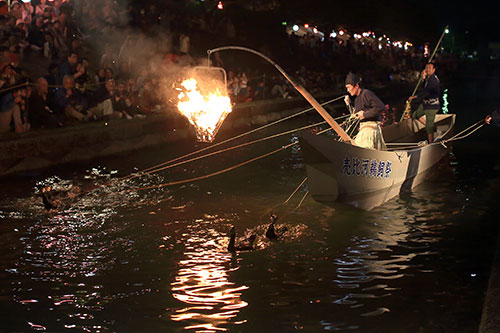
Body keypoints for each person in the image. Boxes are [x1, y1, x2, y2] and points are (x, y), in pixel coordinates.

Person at [344, 72, 386, 150]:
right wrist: (348, 104)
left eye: (349, 87)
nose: (348, 90)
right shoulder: (357, 99)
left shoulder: (366, 94)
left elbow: (381, 107)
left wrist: (365, 115)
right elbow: (355, 115)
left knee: (360, 149)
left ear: (356, 86)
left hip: (370, 129)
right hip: (363, 128)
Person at [408, 62, 440, 143]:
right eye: (427, 68)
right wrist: (423, 78)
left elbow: (426, 91)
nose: (428, 70)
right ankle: (432, 128)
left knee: (429, 126)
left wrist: (415, 97)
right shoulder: (427, 79)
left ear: (433, 70)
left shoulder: (433, 80)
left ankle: (430, 142)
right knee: (415, 115)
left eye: (430, 68)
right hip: (425, 104)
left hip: (432, 106)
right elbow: (423, 88)